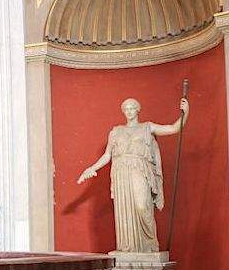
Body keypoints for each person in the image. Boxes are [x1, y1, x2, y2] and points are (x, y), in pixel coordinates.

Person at [77, 97, 189, 252]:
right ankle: (127, 247)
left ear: (138, 109)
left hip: (139, 169)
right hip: (121, 172)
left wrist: (185, 112)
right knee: (125, 213)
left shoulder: (147, 127)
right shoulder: (116, 131)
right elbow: (107, 155)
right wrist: (92, 168)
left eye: (132, 108)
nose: (129, 111)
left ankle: (150, 244)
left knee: (142, 205)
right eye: (126, 109)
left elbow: (173, 128)